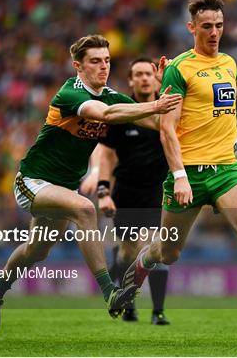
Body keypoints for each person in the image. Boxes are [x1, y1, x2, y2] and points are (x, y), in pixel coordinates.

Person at [0, 34, 182, 333]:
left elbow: (157, 124)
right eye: (95, 61)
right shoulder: (70, 95)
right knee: (85, 210)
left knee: (37, 250)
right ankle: (110, 293)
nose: (104, 67)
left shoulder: (111, 95)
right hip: (32, 181)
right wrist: (155, 107)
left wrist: (167, 90)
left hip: (62, 189)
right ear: (78, 66)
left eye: (107, 61)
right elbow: (107, 115)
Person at [120, 0, 237, 339]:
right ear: (191, 27)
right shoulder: (179, 68)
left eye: (218, 25)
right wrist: (180, 176)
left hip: (228, 169)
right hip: (189, 174)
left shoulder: (228, 62)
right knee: (167, 252)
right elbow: (168, 128)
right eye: (206, 27)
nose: (214, 32)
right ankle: (140, 266)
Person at [80, 57, 170, 325]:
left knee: (156, 245)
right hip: (127, 192)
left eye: (148, 73)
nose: (143, 78)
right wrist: (104, 191)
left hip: (157, 190)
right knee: (128, 251)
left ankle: (158, 311)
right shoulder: (121, 113)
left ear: (156, 78)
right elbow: (106, 155)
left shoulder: (167, 111)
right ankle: (126, 299)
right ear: (131, 80)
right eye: (138, 74)